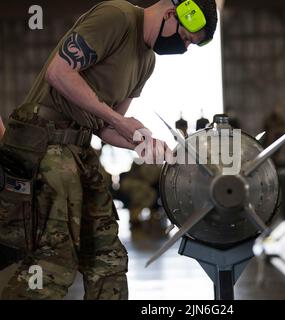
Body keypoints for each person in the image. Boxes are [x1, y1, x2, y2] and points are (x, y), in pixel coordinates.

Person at [0, 0, 217, 299]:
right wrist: (119, 120)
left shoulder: (147, 62)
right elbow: (59, 72)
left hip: (78, 147)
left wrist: (146, 143)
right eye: (185, 38)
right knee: (53, 260)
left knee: (107, 258)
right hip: (43, 140)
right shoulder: (116, 17)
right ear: (170, 14)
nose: (184, 47)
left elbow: (104, 127)